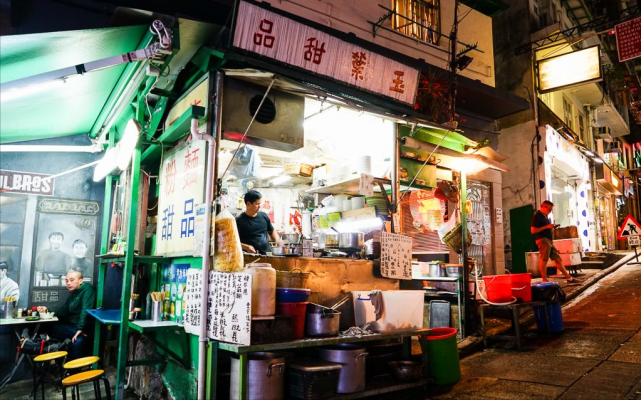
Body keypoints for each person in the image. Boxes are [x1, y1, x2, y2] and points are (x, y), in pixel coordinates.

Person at [38, 270, 96, 359]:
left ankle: (73, 369)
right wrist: (47, 309)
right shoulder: (73, 293)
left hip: (82, 327)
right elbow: (64, 311)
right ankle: (54, 361)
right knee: (48, 328)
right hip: (71, 325)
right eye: (66, 281)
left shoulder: (88, 290)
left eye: (72, 280)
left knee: (78, 341)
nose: (68, 283)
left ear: (81, 281)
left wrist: (81, 328)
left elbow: (86, 310)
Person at [531, 200, 581, 284]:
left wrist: (550, 227)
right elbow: (533, 230)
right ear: (544, 207)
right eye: (549, 210)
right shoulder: (537, 216)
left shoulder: (544, 216)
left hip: (548, 240)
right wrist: (547, 226)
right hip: (543, 240)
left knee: (558, 259)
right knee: (544, 260)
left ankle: (569, 278)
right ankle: (544, 280)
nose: (550, 212)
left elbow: (545, 227)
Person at [236, 190, 280, 254]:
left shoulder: (264, 216)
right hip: (250, 258)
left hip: (267, 256)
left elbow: (271, 231)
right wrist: (246, 247)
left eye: (260, 203)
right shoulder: (239, 221)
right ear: (248, 204)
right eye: (257, 204)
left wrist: (278, 241)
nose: (260, 206)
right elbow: (233, 241)